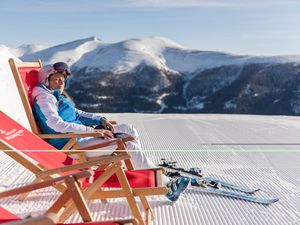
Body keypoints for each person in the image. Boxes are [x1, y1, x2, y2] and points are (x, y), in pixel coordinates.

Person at [32, 62, 190, 202]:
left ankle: (139, 166)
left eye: (63, 79)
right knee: (127, 147)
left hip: (81, 138)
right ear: (46, 80)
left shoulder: (57, 96)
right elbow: (56, 125)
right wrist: (93, 132)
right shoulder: (45, 99)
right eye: (56, 79)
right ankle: (167, 187)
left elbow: (77, 114)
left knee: (128, 130)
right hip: (70, 147)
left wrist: (100, 120)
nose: (61, 83)